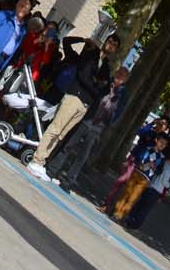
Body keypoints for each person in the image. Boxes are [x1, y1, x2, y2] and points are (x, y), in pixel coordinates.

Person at [27, 31, 120, 179]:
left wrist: (97, 84)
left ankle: (42, 161)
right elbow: (83, 76)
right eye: (110, 41)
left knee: (62, 135)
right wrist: (83, 40)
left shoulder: (107, 67)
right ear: (105, 41)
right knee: (56, 128)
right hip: (74, 96)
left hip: (85, 104)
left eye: (114, 45)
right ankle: (36, 160)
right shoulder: (91, 54)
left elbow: (104, 89)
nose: (111, 46)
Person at [52, 66, 130, 190]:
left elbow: (119, 112)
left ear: (125, 79)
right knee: (69, 145)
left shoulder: (124, 94)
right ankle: (53, 169)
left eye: (122, 75)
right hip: (88, 118)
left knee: (83, 155)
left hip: (99, 127)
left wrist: (109, 123)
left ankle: (69, 180)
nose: (119, 76)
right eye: (118, 73)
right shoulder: (106, 82)